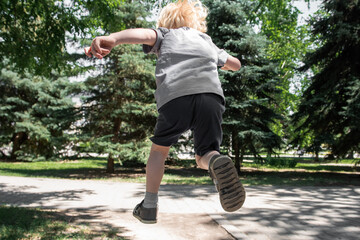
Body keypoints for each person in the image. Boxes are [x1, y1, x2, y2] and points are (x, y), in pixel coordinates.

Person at [85, 0, 245, 224]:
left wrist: (113, 39)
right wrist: (224, 62)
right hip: (211, 97)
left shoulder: (164, 34)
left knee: (159, 152)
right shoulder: (206, 41)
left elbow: (140, 34)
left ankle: (149, 206)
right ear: (196, 22)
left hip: (175, 98)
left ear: (166, 21)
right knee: (205, 153)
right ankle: (215, 161)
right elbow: (236, 64)